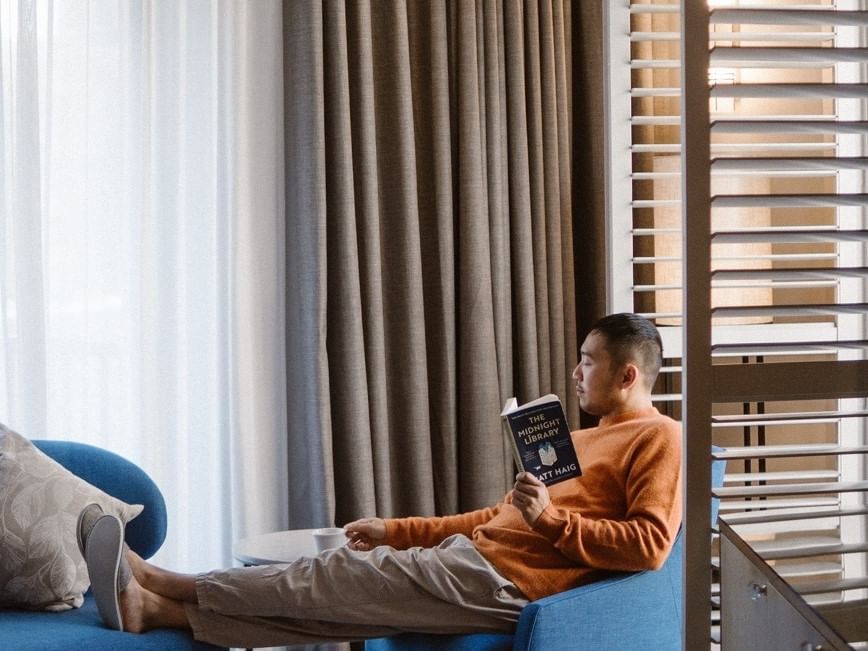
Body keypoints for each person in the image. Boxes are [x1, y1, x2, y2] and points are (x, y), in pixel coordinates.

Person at [79, 312, 682, 648]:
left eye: (588, 360)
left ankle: (168, 580)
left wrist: (549, 518)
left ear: (628, 374)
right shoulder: (573, 440)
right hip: (474, 561)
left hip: (510, 586)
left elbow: (650, 547)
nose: (576, 372)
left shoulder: (660, 438)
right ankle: (155, 613)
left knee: (335, 574)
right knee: (339, 609)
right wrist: (395, 530)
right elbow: (488, 519)